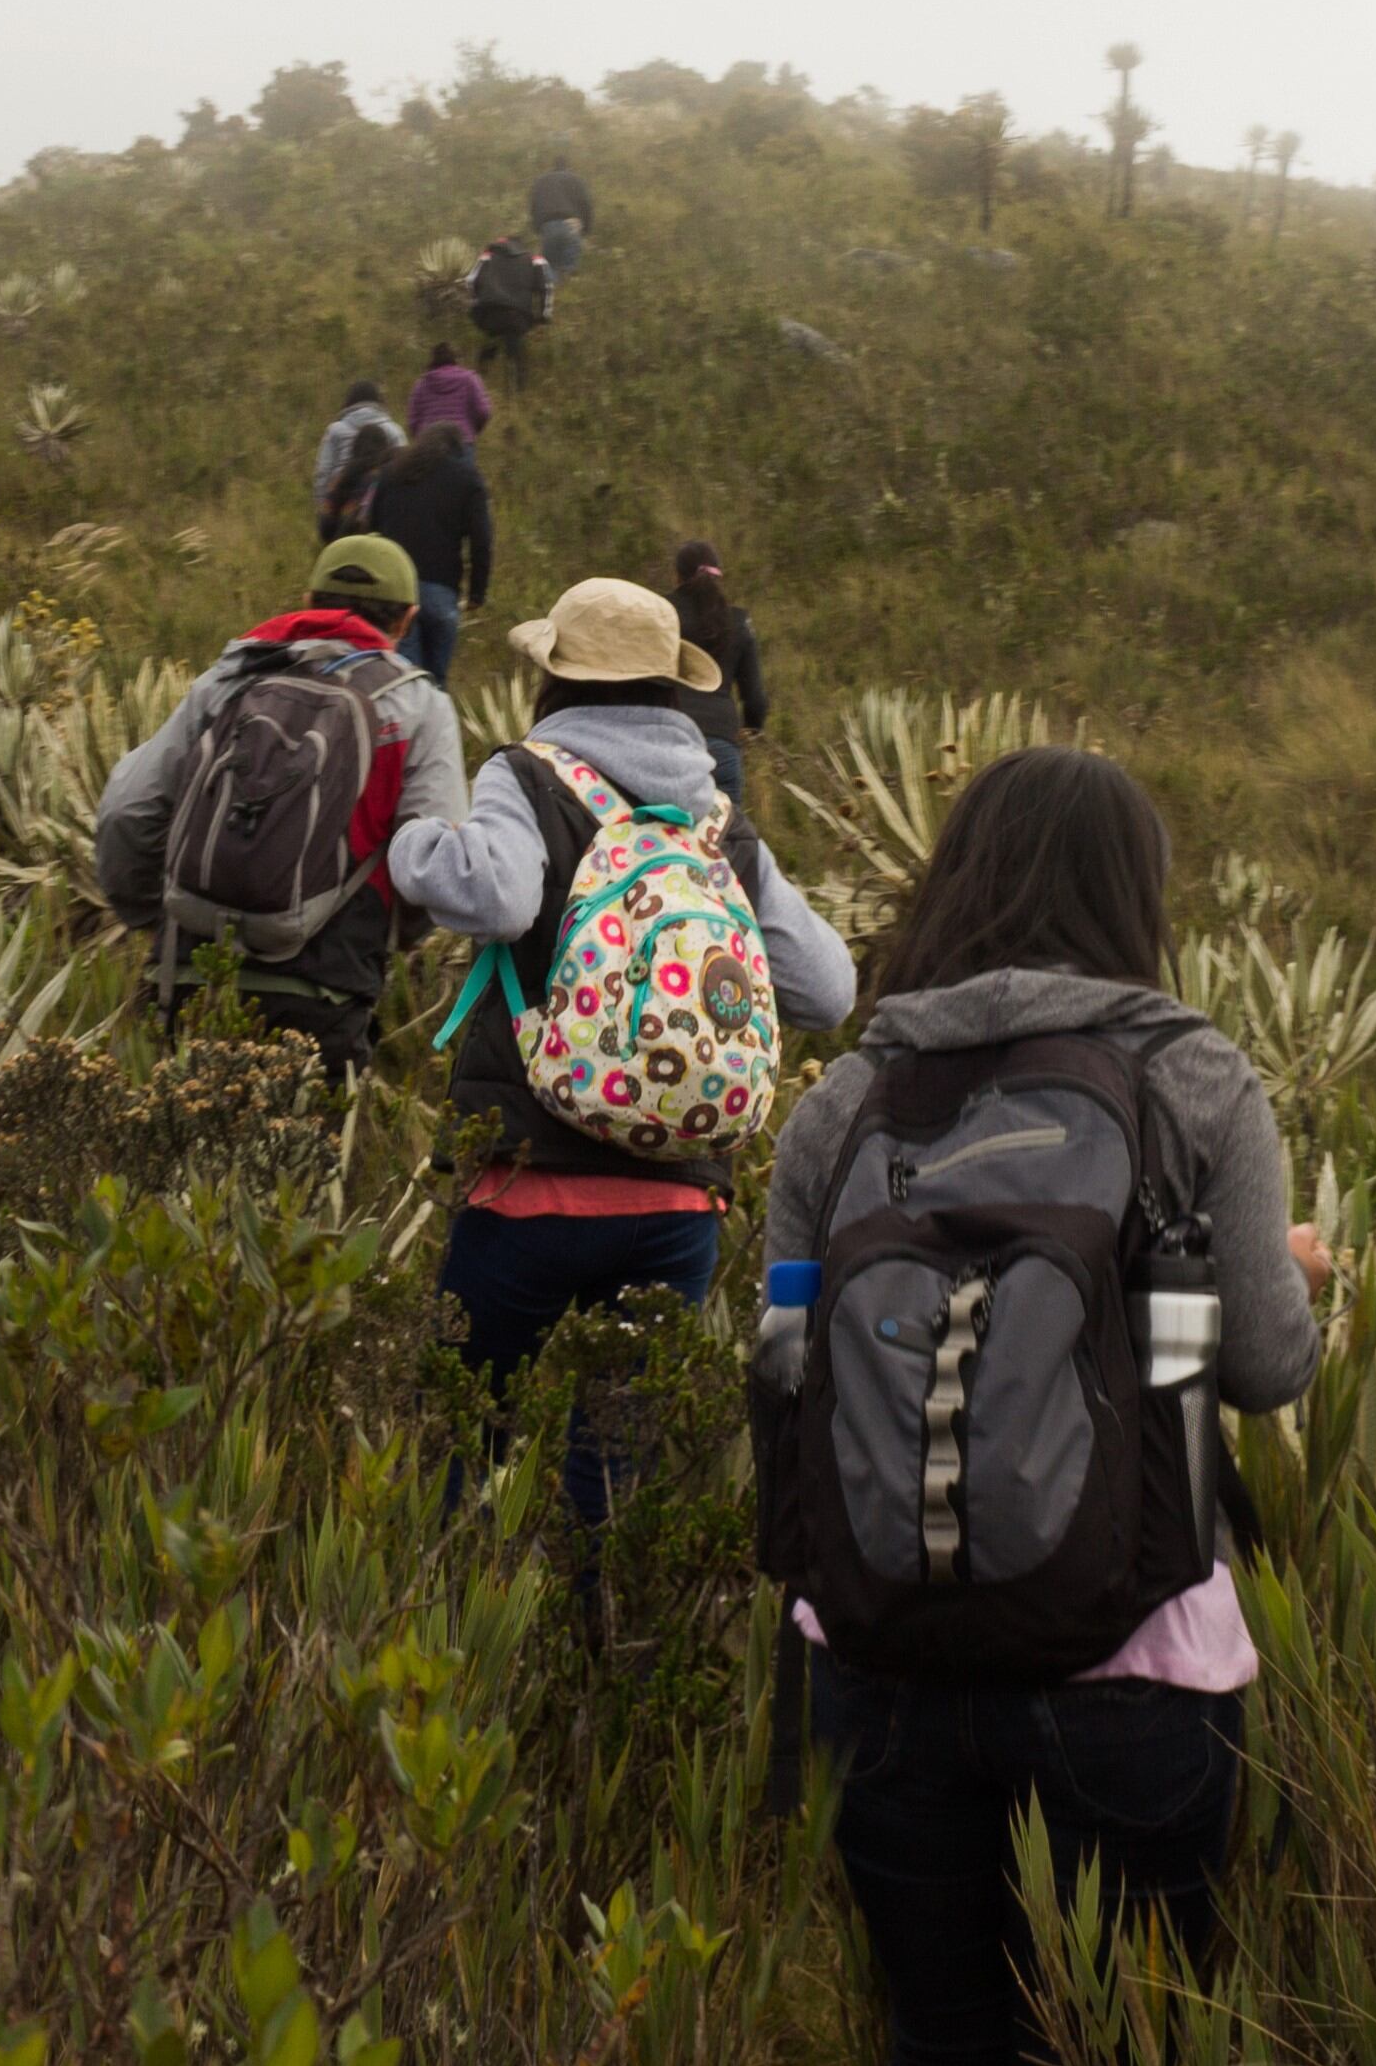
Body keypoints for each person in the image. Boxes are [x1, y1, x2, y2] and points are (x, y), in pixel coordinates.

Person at [758, 745, 1330, 2066]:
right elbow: (1261, 1366)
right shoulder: (1194, 1078)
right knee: (1121, 2046)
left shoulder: (843, 1102)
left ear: (950, 880)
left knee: (937, 2037)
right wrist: (1280, 1277)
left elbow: (784, 1366)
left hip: (875, 1659)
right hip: (1131, 1664)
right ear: (1135, 896)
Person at [383, 578, 855, 1510]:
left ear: (553, 679)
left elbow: (498, 897)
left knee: (459, 1435)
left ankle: (448, 1627)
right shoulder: (719, 822)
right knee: (611, 1472)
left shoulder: (526, 775)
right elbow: (828, 986)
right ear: (671, 693)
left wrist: (413, 844)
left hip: (528, 1184)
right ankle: (603, 1644)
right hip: (676, 1200)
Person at [91, 535, 463, 1074]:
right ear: (406, 620)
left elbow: (128, 810)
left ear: (311, 601)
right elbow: (432, 861)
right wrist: (391, 939)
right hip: (325, 995)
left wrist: (161, 914)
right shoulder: (420, 706)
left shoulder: (229, 680)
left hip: (186, 978)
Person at [360, 422, 490, 683]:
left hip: (396, 591)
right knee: (435, 681)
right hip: (441, 591)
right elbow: (481, 540)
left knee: (403, 678)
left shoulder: (390, 474)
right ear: (457, 450)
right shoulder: (467, 479)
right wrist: (476, 592)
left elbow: (370, 529)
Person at [666, 540, 772, 805]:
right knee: (725, 839)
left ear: (677, 575)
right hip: (721, 744)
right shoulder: (739, 621)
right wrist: (751, 730)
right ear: (718, 575)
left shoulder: (660, 613)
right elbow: (756, 700)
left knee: (660, 838)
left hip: (667, 739)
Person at [316, 381, 401, 539]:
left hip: (341, 512)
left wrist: (323, 507)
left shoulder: (335, 430)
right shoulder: (394, 430)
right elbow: (403, 470)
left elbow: (323, 473)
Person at [466, 234, 554, 384]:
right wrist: (544, 315)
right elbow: (546, 288)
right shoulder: (535, 260)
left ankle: (478, 382)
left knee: (490, 344)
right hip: (517, 314)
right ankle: (517, 392)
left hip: (490, 312)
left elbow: (470, 281)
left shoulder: (488, 256)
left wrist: (476, 307)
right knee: (516, 353)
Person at [530, 154, 595, 279]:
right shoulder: (576, 180)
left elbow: (534, 205)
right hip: (571, 225)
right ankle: (567, 292)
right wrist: (586, 229)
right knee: (569, 271)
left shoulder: (541, 181)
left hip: (548, 226)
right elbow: (586, 204)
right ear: (568, 167)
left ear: (553, 167)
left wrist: (538, 228)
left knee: (549, 269)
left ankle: (553, 295)